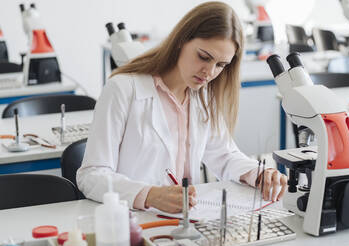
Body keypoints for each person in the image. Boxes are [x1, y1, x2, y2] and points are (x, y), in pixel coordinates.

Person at [77, 1, 287, 214]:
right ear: (180, 41)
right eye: (204, 57)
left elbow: (224, 155)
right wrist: (149, 194)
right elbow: (92, 175)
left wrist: (258, 173)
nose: (209, 72)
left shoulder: (204, 95)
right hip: (134, 219)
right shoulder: (123, 89)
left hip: (188, 220)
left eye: (221, 65)